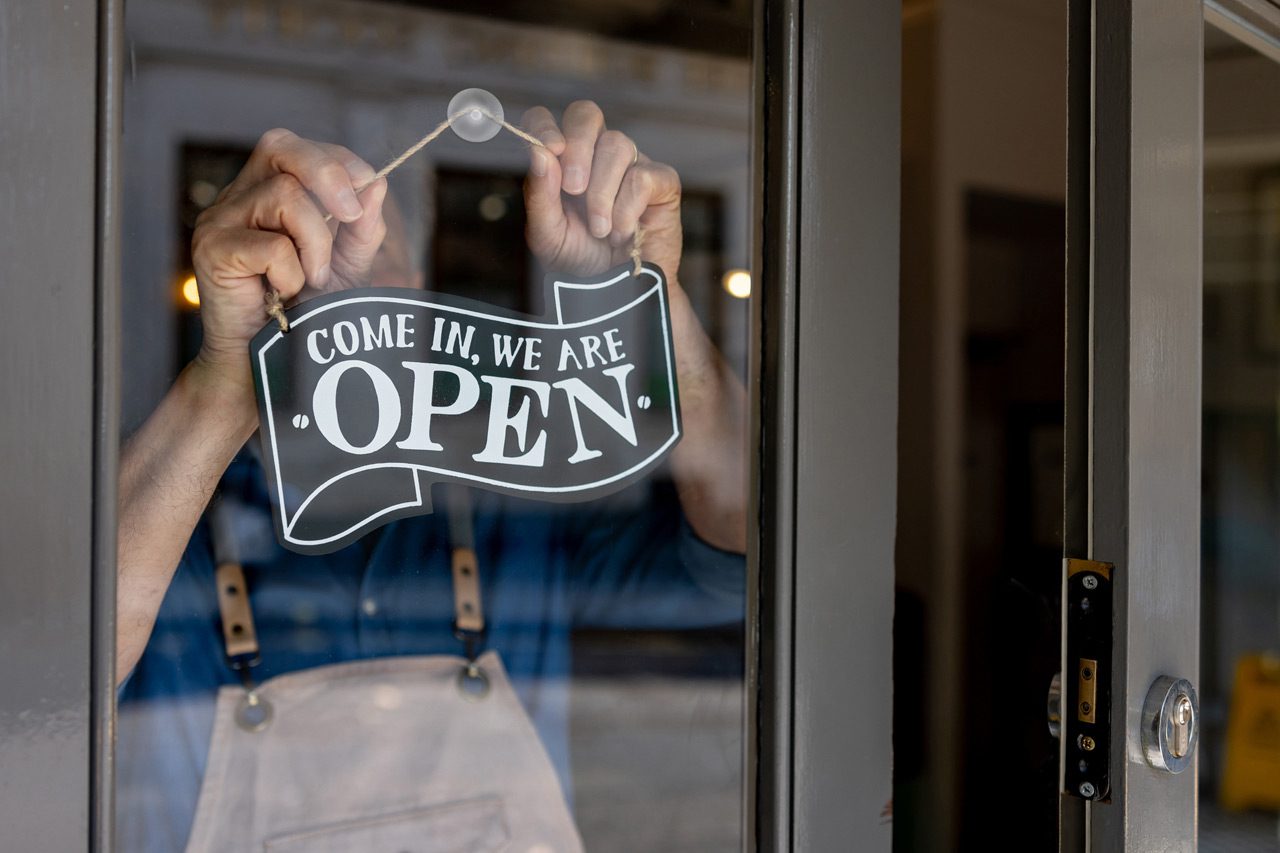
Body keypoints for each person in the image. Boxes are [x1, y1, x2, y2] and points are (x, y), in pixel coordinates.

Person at [115, 101, 748, 851]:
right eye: (314, 241)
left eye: (377, 252)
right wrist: (228, 380)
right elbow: (45, 684)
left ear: (416, 285)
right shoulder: (171, 526)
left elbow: (747, 548)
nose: (345, 271)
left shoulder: (513, 507)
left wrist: (646, 303)